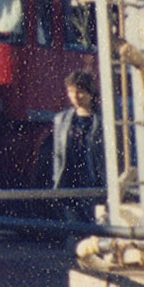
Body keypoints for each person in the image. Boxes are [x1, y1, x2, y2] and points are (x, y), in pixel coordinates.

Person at [52, 69, 103, 222]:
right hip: (69, 181)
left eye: (80, 92)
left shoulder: (103, 120)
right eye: (71, 92)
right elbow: (58, 155)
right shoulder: (61, 119)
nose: (75, 97)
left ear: (91, 93)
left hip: (94, 182)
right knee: (73, 228)